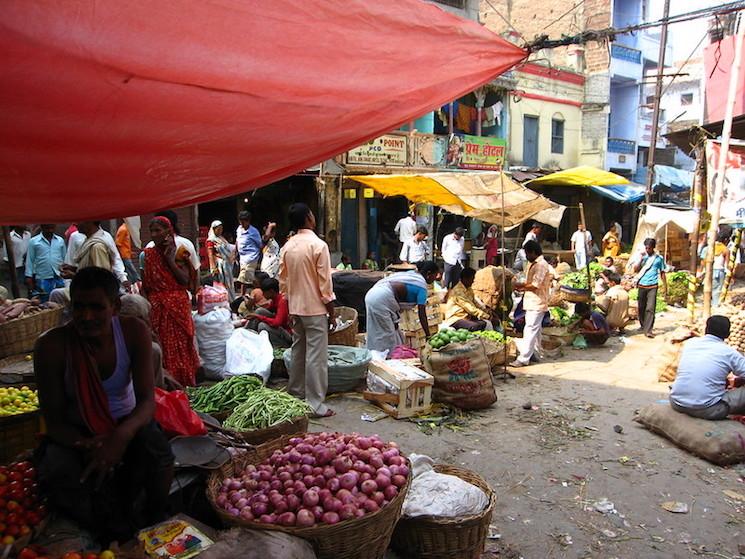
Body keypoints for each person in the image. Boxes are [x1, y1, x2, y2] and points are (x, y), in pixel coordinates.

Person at [34, 267, 173, 545]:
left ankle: (156, 521)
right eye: (79, 307)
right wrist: (90, 445)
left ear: (115, 307)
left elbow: (147, 400)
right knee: (61, 471)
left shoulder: (133, 332)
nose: (86, 316)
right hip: (76, 432)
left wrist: (120, 437)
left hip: (126, 422)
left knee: (157, 453)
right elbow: (54, 420)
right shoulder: (51, 347)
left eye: (96, 307)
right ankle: (105, 532)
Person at [278, 203, 336, 418]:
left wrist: (289, 304)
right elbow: (325, 285)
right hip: (314, 308)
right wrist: (332, 311)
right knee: (316, 357)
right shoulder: (318, 245)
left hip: (296, 307)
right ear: (309, 218)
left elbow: (282, 281)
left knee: (298, 352)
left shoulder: (288, 246)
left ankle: (295, 395)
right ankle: (315, 405)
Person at [143, 217, 200, 387]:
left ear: (168, 231)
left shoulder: (179, 251)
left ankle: (184, 383)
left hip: (177, 305)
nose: (154, 235)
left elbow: (185, 280)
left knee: (181, 344)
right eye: (152, 231)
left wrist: (169, 260)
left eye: (158, 231)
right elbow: (146, 284)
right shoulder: (147, 254)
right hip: (157, 306)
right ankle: (167, 383)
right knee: (161, 344)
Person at [670, 315, 745, 420]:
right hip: (707, 409)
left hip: (676, 402)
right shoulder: (729, 352)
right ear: (727, 334)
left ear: (706, 329)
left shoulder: (690, 343)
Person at [365, 261, 439, 353]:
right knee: (387, 336)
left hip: (374, 294)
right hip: (382, 299)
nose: (436, 278)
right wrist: (428, 335)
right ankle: (384, 360)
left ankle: (378, 355)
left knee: (384, 331)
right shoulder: (421, 286)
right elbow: (422, 314)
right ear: (428, 274)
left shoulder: (411, 275)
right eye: (435, 275)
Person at [510, 241, 551, 368]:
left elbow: (535, 285)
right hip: (532, 301)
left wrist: (520, 287)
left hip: (537, 302)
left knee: (530, 329)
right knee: (536, 329)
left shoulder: (541, 265)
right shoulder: (533, 264)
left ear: (533, 252)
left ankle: (523, 358)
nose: (526, 256)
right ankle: (535, 353)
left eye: (527, 253)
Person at [633, 238, 667, 338]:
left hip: (653, 285)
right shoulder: (643, 258)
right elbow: (636, 269)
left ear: (653, 248)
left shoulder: (658, 259)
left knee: (650, 308)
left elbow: (662, 272)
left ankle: (648, 330)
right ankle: (643, 325)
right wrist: (640, 259)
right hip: (642, 285)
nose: (647, 250)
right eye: (646, 248)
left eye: (649, 248)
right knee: (641, 307)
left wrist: (665, 286)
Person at [246, 277, 292, 348]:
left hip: (288, 333)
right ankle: (247, 334)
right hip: (281, 327)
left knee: (262, 326)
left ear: (271, 291)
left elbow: (277, 323)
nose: (263, 295)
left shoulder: (282, 301)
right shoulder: (275, 299)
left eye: (264, 293)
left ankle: (279, 345)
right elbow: (265, 311)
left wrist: (258, 317)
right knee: (259, 311)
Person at [25, 224, 66, 302]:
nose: (50, 230)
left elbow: (64, 258)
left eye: (52, 228)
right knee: (44, 300)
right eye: (47, 228)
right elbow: (30, 260)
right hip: (42, 276)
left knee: (59, 300)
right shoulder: (34, 241)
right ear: (42, 227)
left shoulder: (60, 240)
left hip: (58, 276)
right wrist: (28, 276)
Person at [444, 267, 491, 331]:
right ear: (465, 279)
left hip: (466, 318)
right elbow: (470, 308)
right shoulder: (458, 291)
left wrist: (487, 311)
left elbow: (475, 303)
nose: (473, 281)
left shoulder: (469, 289)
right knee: (475, 326)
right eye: (472, 279)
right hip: (456, 318)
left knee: (484, 323)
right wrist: (487, 316)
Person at [205, 220, 236, 301]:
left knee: (229, 283)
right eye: (218, 229)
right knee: (221, 284)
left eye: (221, 229)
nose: (220, 231)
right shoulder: (211, 240)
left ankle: (230, 300)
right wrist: (213, 267)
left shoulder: (221, 238)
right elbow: (210, 254)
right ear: (213, 229)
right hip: (219, 265)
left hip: (227, 265)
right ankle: (223, 300)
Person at [236, 211, 264, 297]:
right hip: (242, 258)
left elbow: (260, 245)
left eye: (244, 221)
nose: (242, 224)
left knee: (245, 276)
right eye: (241, 221)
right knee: (247, 278)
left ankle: (253, 293)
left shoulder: (254, 232)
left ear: (248, 221)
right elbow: (237, 241)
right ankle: (245, 295)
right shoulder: (239, 229)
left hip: (251, 257)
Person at [2, 225, 31, 294]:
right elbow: (5, 251)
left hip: (25, 263)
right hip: (15, 264)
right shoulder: (10, 236)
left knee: (25, 283)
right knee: (15, 283)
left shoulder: (28, 234)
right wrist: (8, 262)